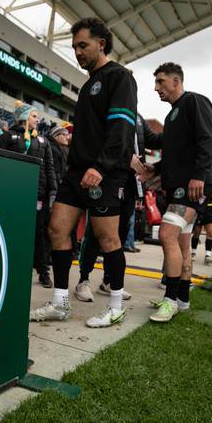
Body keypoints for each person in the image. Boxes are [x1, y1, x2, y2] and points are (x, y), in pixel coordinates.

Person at [30, 17, 137, 328]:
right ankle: (60, 303)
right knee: (56, 230)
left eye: (83, 45)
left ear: (101, 44)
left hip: (104, 173)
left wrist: (100, 166)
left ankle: (116, 305)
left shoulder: (120, 77)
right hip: (76, 172)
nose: (77, 52)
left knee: (107, 238)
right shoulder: (89, 82)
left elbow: (121, 128)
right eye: (75, 46)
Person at [141, 62, 212, 323]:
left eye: (161, 82)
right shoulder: (172, 116)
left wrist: (199, 174)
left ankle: (170, 299)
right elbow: (176, 153)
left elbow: (207, 139)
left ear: (176, 81)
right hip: (177, 186)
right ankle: (182, 299)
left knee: (166, 233)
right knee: (183, 244)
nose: (156, 88)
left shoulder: (195, 101)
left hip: (193, 185)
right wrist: (156, 169)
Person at [74, 112, 156, 302]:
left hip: (130, 183)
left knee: (119, 234)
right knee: (97, 233)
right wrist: (127, 157)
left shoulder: (139, 117)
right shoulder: (109, 108)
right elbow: (102, 139)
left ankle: (108, 282)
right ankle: (83, 279)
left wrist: (179, 132)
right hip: (108, 178)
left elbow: (153, 139)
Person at [0, 101, 57, 288]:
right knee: (12, 230)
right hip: (14, 193)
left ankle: (42, 272)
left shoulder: (43, 140)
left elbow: (49, 168)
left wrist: (53, 192)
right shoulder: (8, 136)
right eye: (33, 115)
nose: (37, 119)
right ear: (23, 117)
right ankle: (11, 267)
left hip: (38, 195)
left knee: (38, 233)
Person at [191, 161, 212, 264]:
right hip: (201, 207)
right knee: (196, 232)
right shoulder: (203, 176)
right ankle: (193, 252)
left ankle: (208, 255)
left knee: (210, 232)